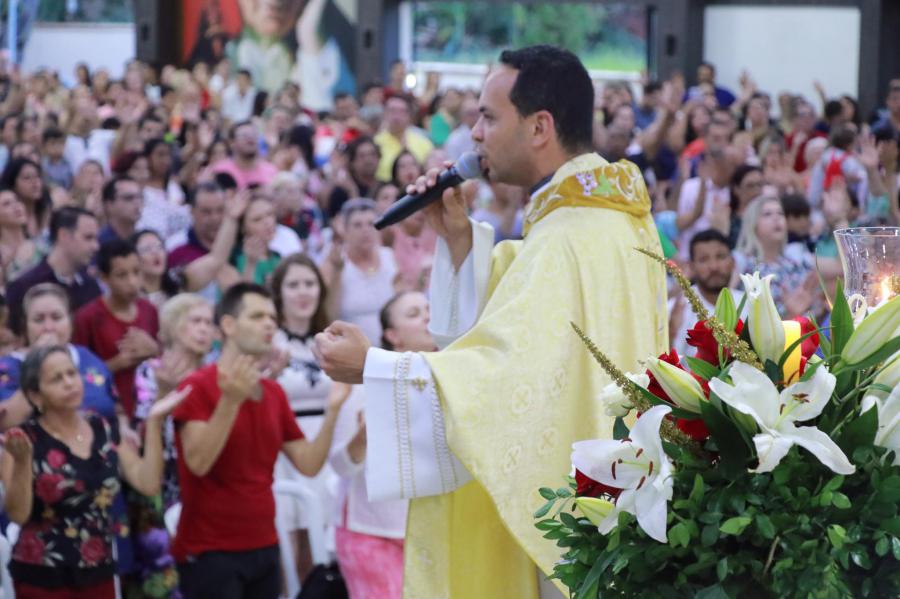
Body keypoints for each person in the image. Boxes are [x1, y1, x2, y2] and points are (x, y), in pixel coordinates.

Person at [314, 45, 667, 598]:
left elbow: (504, 378)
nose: (473, 133)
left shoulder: (567, 239)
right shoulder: (606, 218)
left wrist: (376, 367)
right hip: (611, 499)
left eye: (488, 116)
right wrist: (458, 241)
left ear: (539, 126)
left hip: (568, 524)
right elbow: (524, 322)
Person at [171, 283, 351, 599]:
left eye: (271, 316)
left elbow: (308, 464)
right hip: (210, 551)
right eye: (256, 316)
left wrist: (333, 410)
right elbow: (197, 463)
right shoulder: (196, 386)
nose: (269, 323)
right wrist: (230, 402)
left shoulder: (273, 393)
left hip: (265, 545)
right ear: (227, 325)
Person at [0, 345, 189, 599]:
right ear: (35, 396)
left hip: (98, 570)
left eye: (72, 373)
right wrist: (23, 462)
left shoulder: (103, 427)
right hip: (43, 577)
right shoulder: (23, 440)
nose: (69, 383)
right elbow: (19, 514)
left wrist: (154, 421)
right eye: (57, 378)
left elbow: (147, 483)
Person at [330, 292, 437, 598]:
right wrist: (362, 438)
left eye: (429, 309)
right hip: (370, 530)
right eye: (414, 313)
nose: (427, 317)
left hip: (428, 529)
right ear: (392, 335)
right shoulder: (363, 381)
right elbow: (339, 465)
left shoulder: (447, 374)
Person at [271, 254, 334, 582]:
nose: (303, 292)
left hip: (325, 442)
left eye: (309, 283)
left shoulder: (331, 339)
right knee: (287, 540)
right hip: (283, 446)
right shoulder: (269, 342)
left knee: (319, 539)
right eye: (293, 285)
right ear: (279, 293)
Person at [72, 239, 160, 419]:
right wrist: (117, 363)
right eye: (122, 275)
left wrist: (154, 351)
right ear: (104, 278)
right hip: (108, 411)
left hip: (148, 407)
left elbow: (162, 359)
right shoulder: (87, 318)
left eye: (137, 272)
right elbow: (77, 374)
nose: (133, 282)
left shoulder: (149, 310)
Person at [6, 206, 101, 337]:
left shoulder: (91, 286)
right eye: (88, 238)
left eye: (96, 239)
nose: (96, 246)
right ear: (64, 235)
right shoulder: (24, 285)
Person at [668, 230, 743, 359]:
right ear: (691, 267)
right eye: (704, 259)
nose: (714, 267)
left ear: (733, 262)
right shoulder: (674, 309)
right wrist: (671, 332)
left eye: (720, 257)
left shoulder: (750, 303)